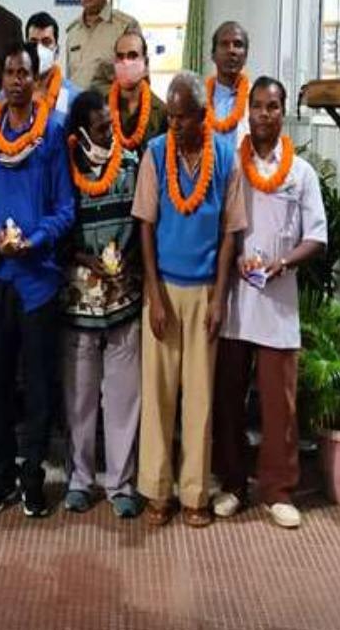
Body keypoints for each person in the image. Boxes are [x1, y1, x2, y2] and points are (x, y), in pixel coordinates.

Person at [0, 42, 74, 518]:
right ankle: (0, 476)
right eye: (8, 73)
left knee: (40, 387)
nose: (15, 81)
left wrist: (36, 239)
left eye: (23, 73)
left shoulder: (52, 134)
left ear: (35, 79)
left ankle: (32, 479)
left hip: (38, 280)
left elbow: (65, 208)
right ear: (1, 79)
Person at [131, 71, 247, 528]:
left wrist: (219, 298)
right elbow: (145, 225)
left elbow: (230, 233)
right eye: (170, 117)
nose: (174, 125)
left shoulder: (225, 157)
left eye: (182, 117)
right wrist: (154, 294)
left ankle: (196, 493)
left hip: (204, 293)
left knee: (199, 399)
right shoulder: (155, 153)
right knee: (158, 396)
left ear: (203, 115)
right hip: (163, 289)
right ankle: (157, 491)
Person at [212, 77, 327, 529]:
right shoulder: (232, 166)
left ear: (283, 112)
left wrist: (283, 262)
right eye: (257, 106)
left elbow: (316, 237)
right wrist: (236, 258)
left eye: (272, 106)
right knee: (228, 400)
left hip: (279, 303)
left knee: (280, 405)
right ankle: (233, 484)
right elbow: (221, 226)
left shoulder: (301, 173)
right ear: (248, 112)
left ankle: (278, 490)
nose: (264, 113)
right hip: (236, 303)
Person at [60, 91, 144, 519]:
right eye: (100, 128)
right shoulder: (65, 170)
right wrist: (84, 258)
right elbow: (58, 227)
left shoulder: (130, 165)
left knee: (124, 397)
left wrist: (127, 258)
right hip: (79, 301)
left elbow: (143, 222)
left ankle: (121, 484)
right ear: (80, 132)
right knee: (80, 398)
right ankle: (79, 479)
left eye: (110, 126)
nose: (109, 134)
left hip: (123, 296)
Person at [64, 0, 140, 95]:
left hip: (110, 107)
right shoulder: (73, 31)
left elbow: (136, 81)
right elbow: (70, 79)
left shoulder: (125, 27)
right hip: (77, 106)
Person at [107, 31, 167, 155]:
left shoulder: (162, 113)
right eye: (120, 57)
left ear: (146, 64)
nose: (126, 62)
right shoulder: (102, 108)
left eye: (132, 56)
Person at [206, 21, 251, 145]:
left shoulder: (256, 99)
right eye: (224, 44)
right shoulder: (198, 99)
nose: (231, 50)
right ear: (213, 55)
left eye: (238, 44)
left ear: (245, 56)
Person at [26, 11, 78, 116]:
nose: (39, 49)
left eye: (46, 42)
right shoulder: (11, 93)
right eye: (33, 42)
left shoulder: (74, 97)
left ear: (57, 51)